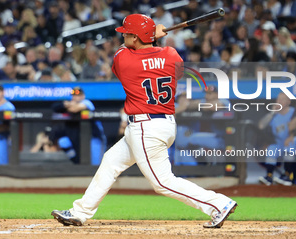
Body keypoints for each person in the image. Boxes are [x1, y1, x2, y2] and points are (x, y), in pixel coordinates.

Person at [51, 14, 237, 228]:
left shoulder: (126, 60)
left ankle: (218, 204)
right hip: (161, 124)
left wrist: (148, 38)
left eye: (128, 34)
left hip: (146, 128)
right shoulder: (172, 54)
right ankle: (80, 212)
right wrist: (153, 40)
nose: (125, 37)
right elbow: (161, 61)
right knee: (111, 162)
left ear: (136, 38)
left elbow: (124, 51)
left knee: (162, 182)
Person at [52, 86, 106, 165]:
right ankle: (75, 160)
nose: (75, 97)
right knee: (63, 142)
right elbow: (55, 107)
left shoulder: (87, 102)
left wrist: (67, 104)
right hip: (80, 138)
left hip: (94, 138)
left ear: (83, 96)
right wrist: (66, 104)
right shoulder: (70, 104)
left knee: (96, 165)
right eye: (74, 95)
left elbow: (74, 109)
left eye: (78, 95)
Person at [258, 92, 296, 186]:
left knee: (291, 145)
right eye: (278, 99)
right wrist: (272, 113)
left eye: (282, 99)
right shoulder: (274, 116)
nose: (279, 102)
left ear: (288, 102)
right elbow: (261, 126)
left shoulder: (293, 112)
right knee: (271, 149)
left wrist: (291, 136)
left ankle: (287, 176)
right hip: (279, 142)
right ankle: (269, 177)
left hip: (293, 140)